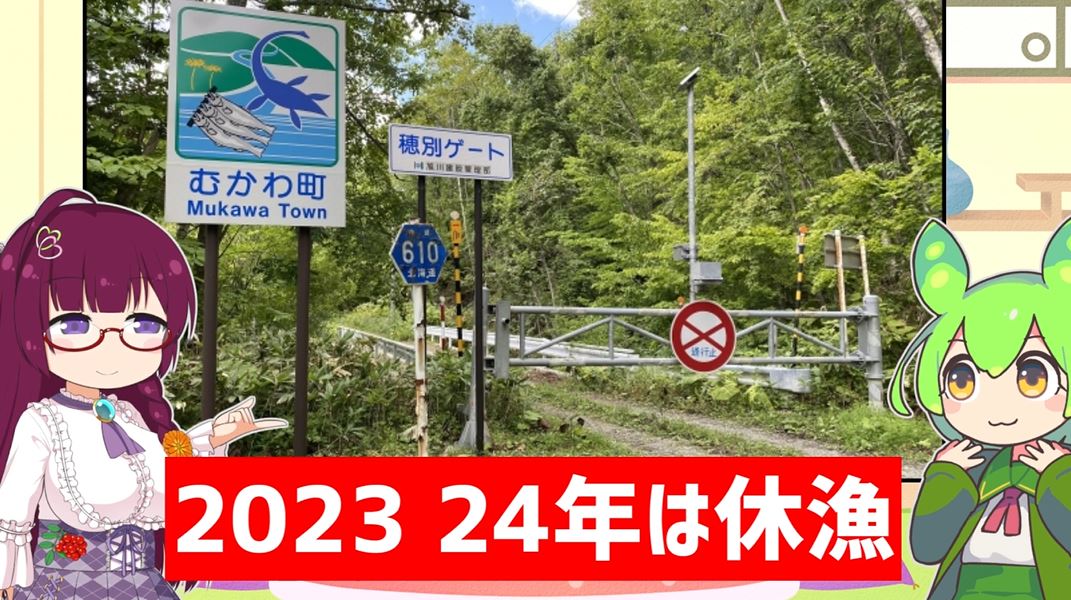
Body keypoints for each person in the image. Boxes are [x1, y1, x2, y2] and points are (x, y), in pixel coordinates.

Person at [0, 189, 287, 599]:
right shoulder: (41, 423)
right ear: (31, 330)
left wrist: (212, 439)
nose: (111, 345)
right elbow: (14, 508)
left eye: (143, 325)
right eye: (75, 324)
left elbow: (169, 473)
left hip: (142, 584)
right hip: (65, 585)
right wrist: (7, 581)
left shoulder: (128, 415)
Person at [889, 218, 1071, 598]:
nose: (998, 408)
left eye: (1032, 377)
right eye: (962, 381)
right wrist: (948, 475)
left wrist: (1058, 474)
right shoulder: (969, 464)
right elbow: (927, 548)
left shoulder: (1061, 463)